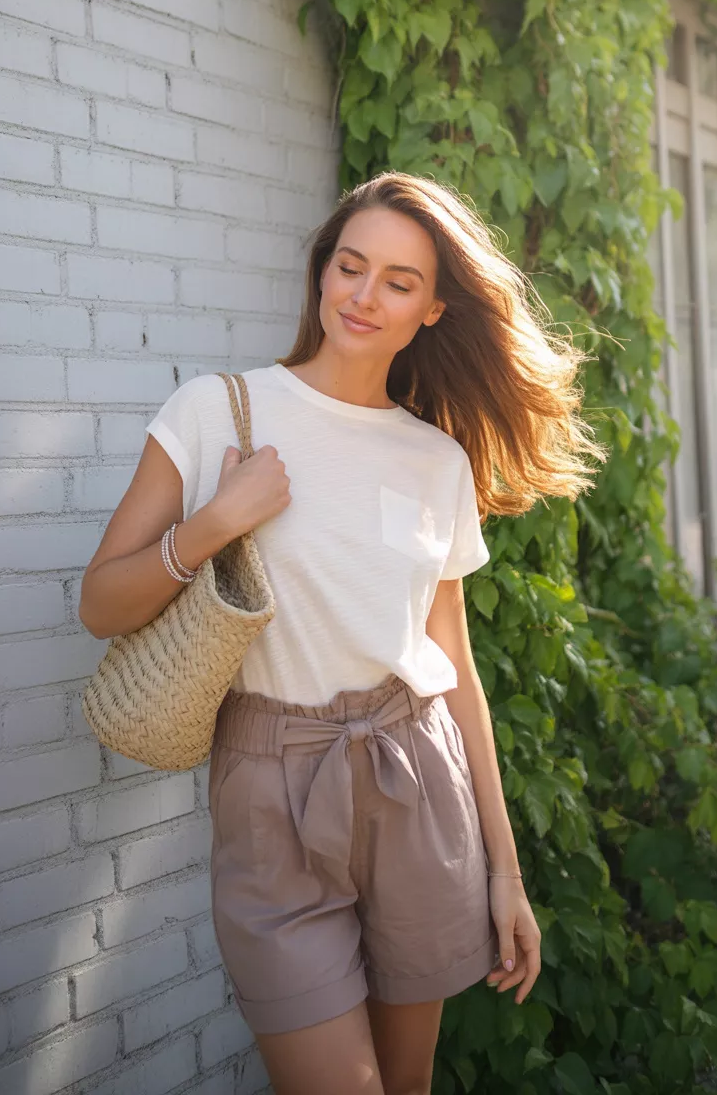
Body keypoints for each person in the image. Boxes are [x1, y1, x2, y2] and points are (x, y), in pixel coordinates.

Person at [79, 171, 605, 1095]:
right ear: (322, 271)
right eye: (350, 266)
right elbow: (101, 604)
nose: (364, 296)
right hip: (270, 787)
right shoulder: (218, 411)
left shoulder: (437, 460)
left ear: (435, 309)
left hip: (416, 775)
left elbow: (458, 675)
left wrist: (506, 873)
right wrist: (212, 524)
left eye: (399, 282)